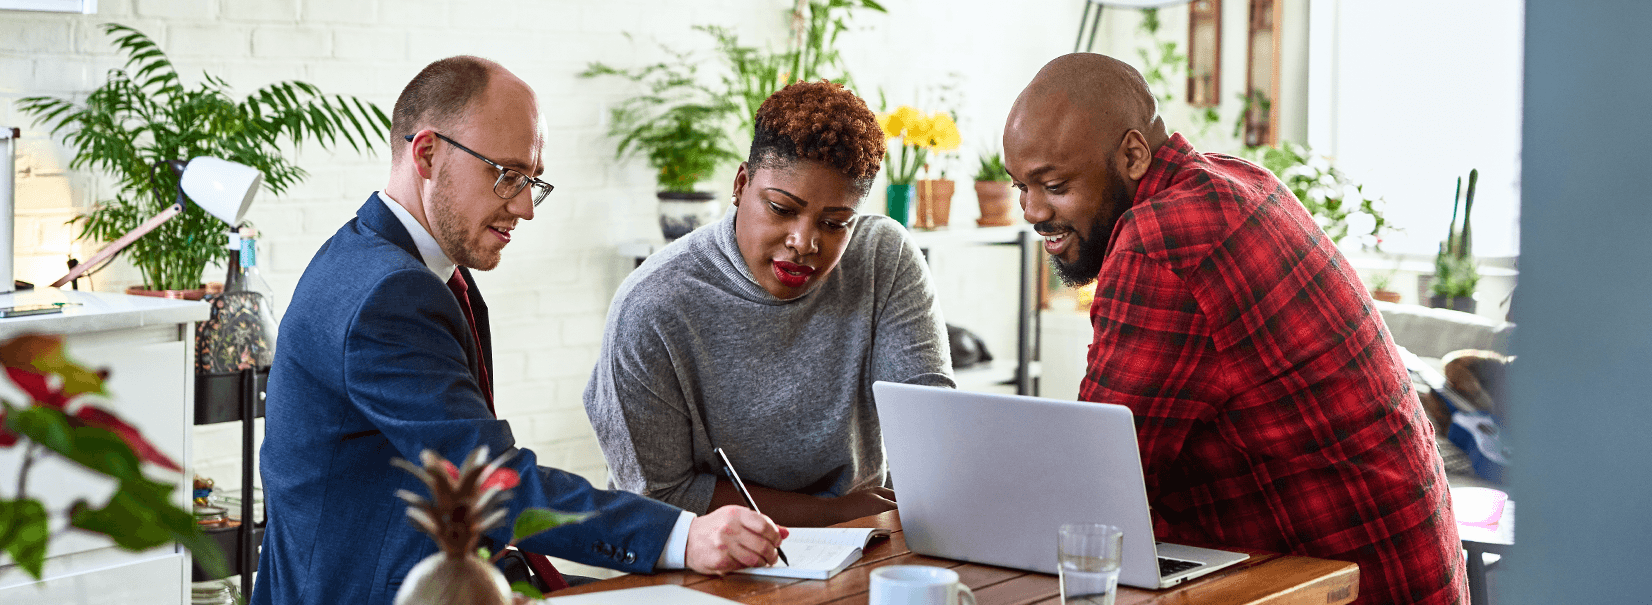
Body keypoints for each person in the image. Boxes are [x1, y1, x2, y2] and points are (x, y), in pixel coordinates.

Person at [253, 56, 785, 605]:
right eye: (507, 175)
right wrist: (684, 534)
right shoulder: (389, 294)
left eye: (532, 180)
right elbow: (489, 480)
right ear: (427, 154)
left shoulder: (381, 259)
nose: (526, 207)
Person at [1002, 53, 1467, 604]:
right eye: (1019, 188)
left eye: (1053, 185)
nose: (1032, 211)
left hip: (1346, 588)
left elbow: (1095, 487)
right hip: (1407, 574)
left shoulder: (1162, 241)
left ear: (1132, 154)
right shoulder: (1239, 178)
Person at [584, 80, 952, 527]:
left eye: (835, 223)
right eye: (781, 208)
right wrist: (832, 514)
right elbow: (658, 495)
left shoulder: (882, 258)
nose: (804, 242)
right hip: (709, 560)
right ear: (741, 184)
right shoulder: (651, 305)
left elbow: (930, 429)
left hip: (861, 545)